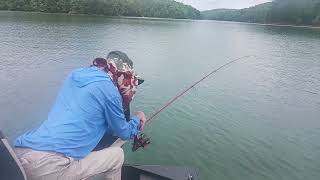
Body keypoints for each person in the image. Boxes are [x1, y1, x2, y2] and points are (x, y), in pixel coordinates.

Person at [14, 51, 147, 180]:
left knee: (81, 158)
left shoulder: (75, 75)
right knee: (117, 155)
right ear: (123, 75)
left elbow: (87, 118)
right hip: (49, 166)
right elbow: (123, 132)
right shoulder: (110, 90)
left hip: (21, 156)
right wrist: (137, 119)